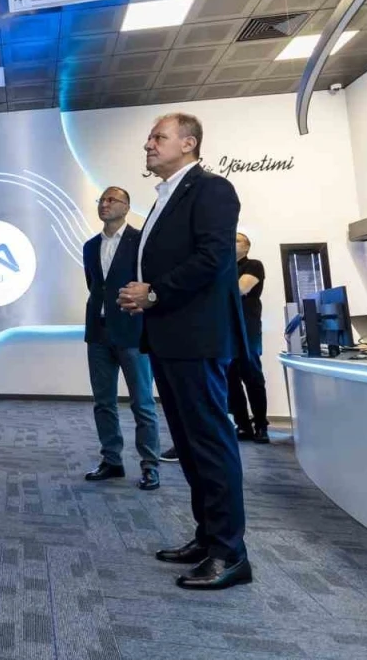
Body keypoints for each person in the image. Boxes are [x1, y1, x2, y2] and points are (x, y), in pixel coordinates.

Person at [118, 112, 251, 591]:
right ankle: (208, 537)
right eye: (149, 137)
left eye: (159, 137)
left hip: (197, 338)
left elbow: (213, 258)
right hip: (171, 337)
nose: (148, 145)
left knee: (210, 444)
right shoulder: (166, 196)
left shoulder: (212, 189)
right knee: (192, 447)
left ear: (189, 143)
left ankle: (231, 554)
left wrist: (154, 292)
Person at [82, 186, 161, 491]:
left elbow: (150, 285)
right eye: (102, 199)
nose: (105, 204)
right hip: (98, 333)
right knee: (103, 402)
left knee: (143, 403)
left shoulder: (140, 242)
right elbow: (94, 286)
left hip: (132, 332)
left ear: (126, 207)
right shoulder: (90, 246)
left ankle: (150, 465)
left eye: (111, 199)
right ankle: (111, 460)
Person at [228, 233, 270, 444]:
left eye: (237, 240)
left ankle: (261, 425)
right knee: (231, 381)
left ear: (247, 247)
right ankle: (243, 425)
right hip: (225, 332)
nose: (231, 241)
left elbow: (241, 288)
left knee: (252, 377)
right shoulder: (223, 268)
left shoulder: (253, 265)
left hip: (247, 331)